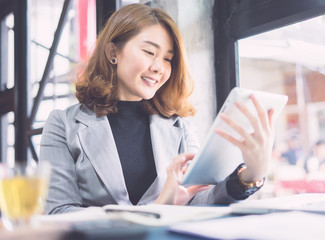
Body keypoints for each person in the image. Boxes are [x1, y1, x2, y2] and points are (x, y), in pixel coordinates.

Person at [40, 3, 276, 214]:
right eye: (149, 52)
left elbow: (196, 199)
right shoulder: (63, 124)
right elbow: (59, 212)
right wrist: (156, 209)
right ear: (113, 53)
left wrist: (247, 177)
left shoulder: (180, 126)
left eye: (167, 59)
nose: (158, 67)